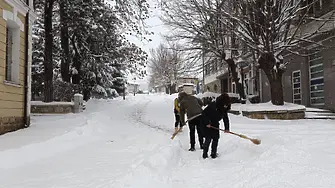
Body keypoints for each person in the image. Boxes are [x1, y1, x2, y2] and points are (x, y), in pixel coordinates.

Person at [201, 93, 231, 159]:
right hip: (207, 124)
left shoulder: (224, 109)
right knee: (208, 139)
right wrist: (207, 123)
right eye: (225, 105)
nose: (226, 106)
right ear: (221, 102)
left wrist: (227, 128)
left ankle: (213, 153)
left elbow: (225, 118)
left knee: (216, 138)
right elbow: (203, 114)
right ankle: (205, 154)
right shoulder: (213, 105)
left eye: (227, 105)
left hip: (215, 123)